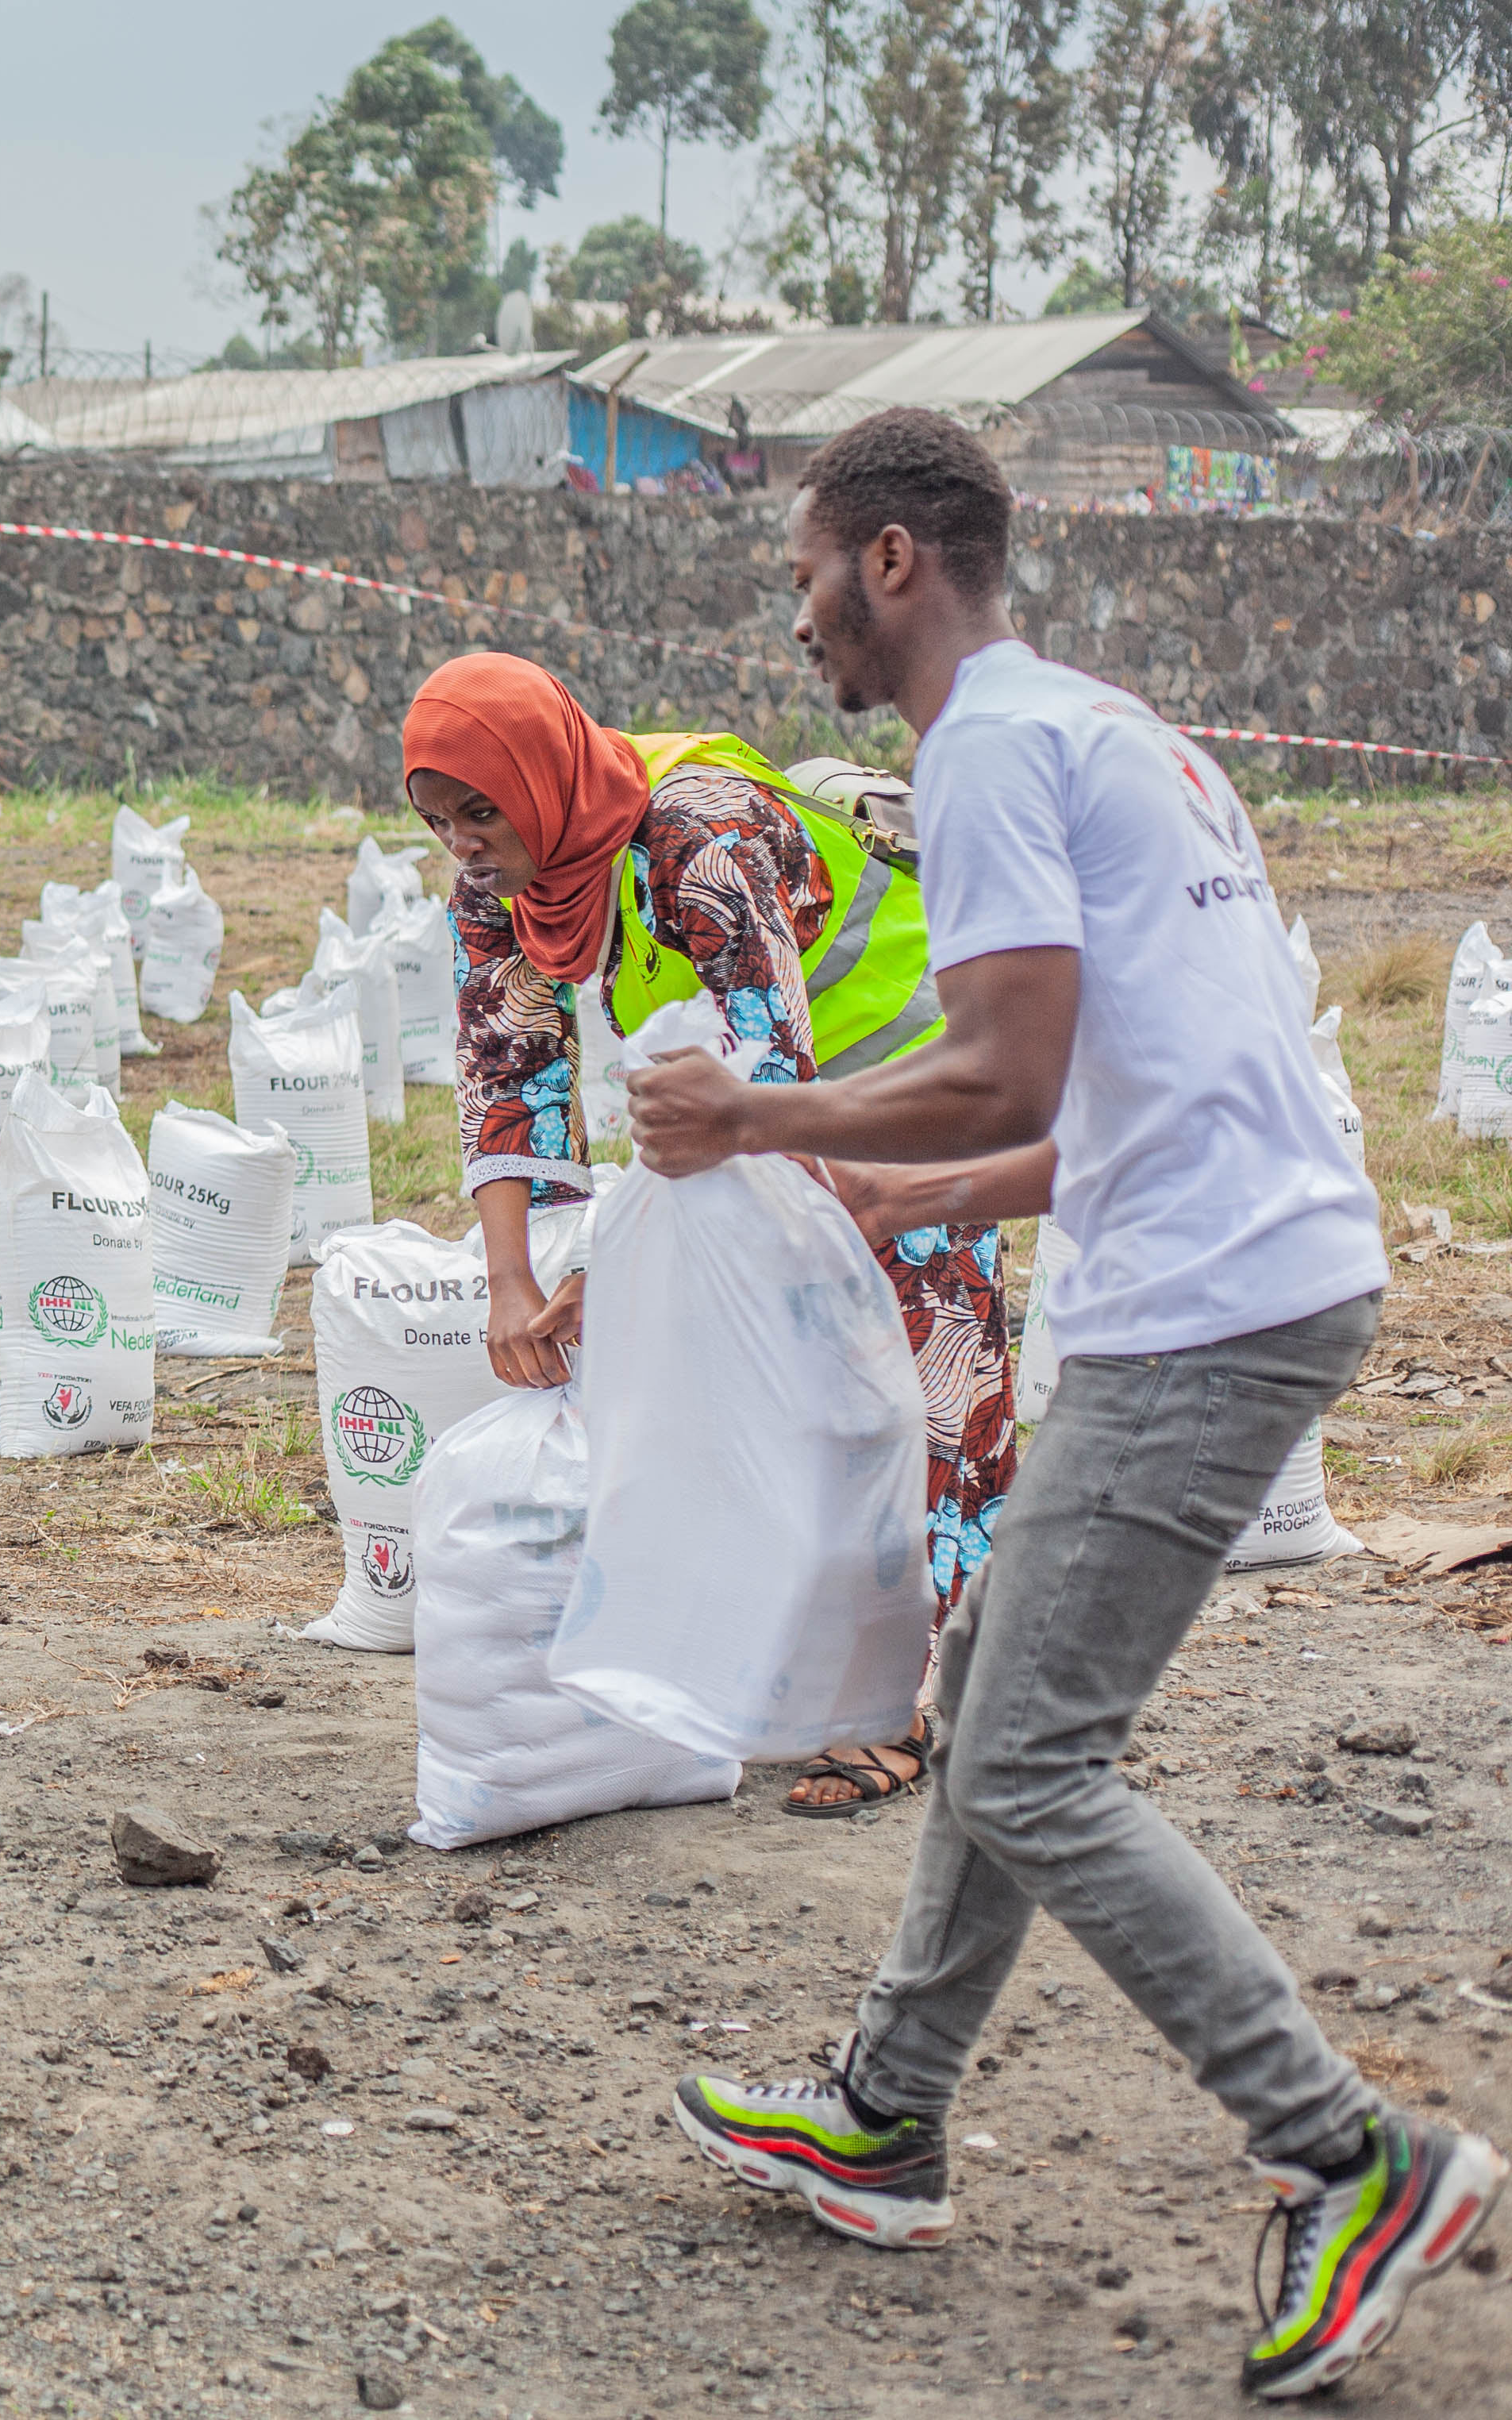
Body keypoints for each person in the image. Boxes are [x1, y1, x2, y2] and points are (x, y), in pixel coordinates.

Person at [637, 414, 1487, 2401]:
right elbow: (1141, 1082)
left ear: (896, 564)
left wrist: (750, 1110)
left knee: (1029, 1760)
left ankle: (1347, 2151)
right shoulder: (1124, 735)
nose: (795, 617)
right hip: (1254, 1256)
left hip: (1204, 1310)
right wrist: (926, 1188)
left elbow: (1005, 1062)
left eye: (807, 571)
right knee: (992, 1690)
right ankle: (884, 2106)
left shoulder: (987, 749)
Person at [400, 646, 1009, 1816]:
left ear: (546, 771)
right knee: (762, 1380)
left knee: (925, 1378)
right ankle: (810, 1665)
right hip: (749, 1095)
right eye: (440, 820)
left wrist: (619, 1271)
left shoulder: (700, 833)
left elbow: (770, 1068)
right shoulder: (507, 881)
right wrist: (514, 1282)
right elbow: (506, 1067)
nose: (465, 841)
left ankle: (931, 1700)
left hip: (903, 1072)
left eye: (483, 809)